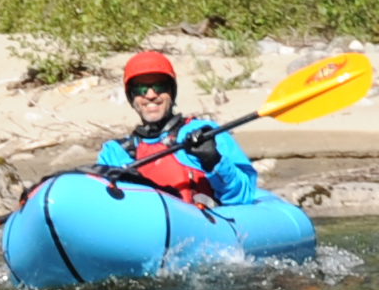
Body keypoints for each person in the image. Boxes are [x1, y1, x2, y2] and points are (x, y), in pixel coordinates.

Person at [97, 49, 261, 207]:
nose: (151, 95)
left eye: (159, 86)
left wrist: (213, 160)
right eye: (141, 88)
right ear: (131, 96)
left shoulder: (207, 133)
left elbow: (244, 195)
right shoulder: (115, 153)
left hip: (203, 227)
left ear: (172, 92)